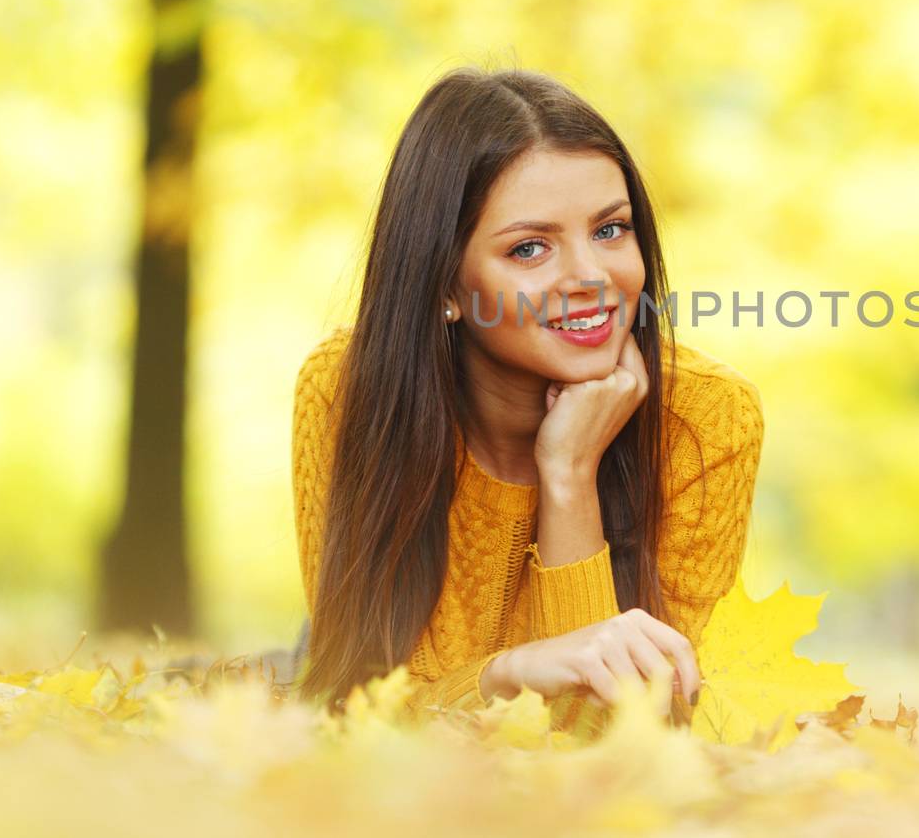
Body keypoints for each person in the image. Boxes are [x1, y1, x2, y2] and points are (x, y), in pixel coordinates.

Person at [289, 66, 765, 724]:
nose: (593, 276)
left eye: (610, 229)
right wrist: (509, 673)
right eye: (531, 248)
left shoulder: (706, 420)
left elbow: (610, 739)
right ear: (445, 286)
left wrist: (570, 473)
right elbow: (357, 708)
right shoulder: (346, 391)